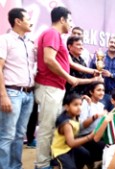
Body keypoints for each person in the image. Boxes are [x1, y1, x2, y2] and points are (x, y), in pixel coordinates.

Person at [34, 7, 100, 169]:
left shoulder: (58, 37)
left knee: (53, 128)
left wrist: (92, 71)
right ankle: (41, 165)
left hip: (56, 87)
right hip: (49, 86)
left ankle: (49, 160)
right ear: (62, 19)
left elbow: (69, 62)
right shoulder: (52, 34)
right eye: (70, 20)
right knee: (47, 128)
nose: (71, 24)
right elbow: (49, 60)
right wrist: (68, 77)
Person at [0, 8, 35, 169]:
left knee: (20, 135)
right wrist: (3, 95)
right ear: (18, 21)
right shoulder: (5, 40)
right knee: (7, 135)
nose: (31, 21)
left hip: (28, 94)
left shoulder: (30, 43)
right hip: (12, 93)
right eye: (27, 18)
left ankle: (16, 166)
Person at [50, 93, 93, 168]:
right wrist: (89, 137)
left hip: (69, 147)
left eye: (80, 104)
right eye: (75, 105)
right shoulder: (66, 124)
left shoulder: (74, 116)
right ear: (67, 107)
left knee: (85, 154)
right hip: (60, 151)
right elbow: (71, 143)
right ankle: (56, 163)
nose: (79, 107)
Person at [90, 36, 115, 111]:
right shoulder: (99, 56)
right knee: (101, 117)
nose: (113, 44)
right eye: (111, 42)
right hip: (101, 94)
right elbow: (90, 71)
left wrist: (111, 75)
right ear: (108, 43)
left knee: (113, 118)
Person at [78, 82, 106, 163]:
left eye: (103, 90)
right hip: (84, 137)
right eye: (99, 90)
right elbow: (81, 126)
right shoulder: (85, 103)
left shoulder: (101, 106)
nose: (102, 93)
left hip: (96, 136)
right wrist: (96, 116)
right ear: (91, 92)